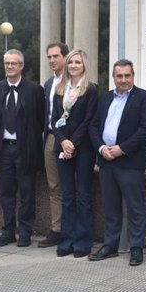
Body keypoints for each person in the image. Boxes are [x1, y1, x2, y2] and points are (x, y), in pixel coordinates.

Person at [88, 59, 146, 266]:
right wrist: (101, 148)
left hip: (130, 161)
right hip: (107, 161)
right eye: (119, 76)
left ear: (133, 76)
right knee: (111, 206)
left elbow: (145, 130)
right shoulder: (105, 98)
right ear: (114, 77)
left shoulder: (145, 98)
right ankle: (110, 245)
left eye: (127, 75)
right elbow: (93, 126)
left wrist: (121, 149)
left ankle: (136, 248)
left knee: (135, 207)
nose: (123, 80)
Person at [0, 49, 45, 248]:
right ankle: (8, 231)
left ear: (21, 66)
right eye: (7, 63)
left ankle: (25, 232)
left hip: (25, 150)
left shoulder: (35, 90)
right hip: (4, 149)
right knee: (6, 193)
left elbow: (40, 122)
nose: (10, 67)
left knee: (27, 193)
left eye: (14, 63)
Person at [52, 49, 98, 258]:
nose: (73, 66)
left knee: (83, 196)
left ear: (84, 65)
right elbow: (54, 120)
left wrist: (73, 143)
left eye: (77, 62)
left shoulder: (90, 90)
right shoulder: (60, 90)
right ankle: (67, 239)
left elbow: (89, 120)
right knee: (68, 196)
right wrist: (63, 141)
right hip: (62, 148)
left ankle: (83, 241)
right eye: (70, 62)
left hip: (84, 149)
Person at [39, 42, 70, 248]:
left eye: (55, 56)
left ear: (65, 57)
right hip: (51, 138)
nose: (51, 60)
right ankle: (57, 229)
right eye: (49, 57)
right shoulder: (49, 84)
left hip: (70, 139)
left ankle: (71, 230)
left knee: (71, 186)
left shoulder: (76, 82)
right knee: (54, 186)